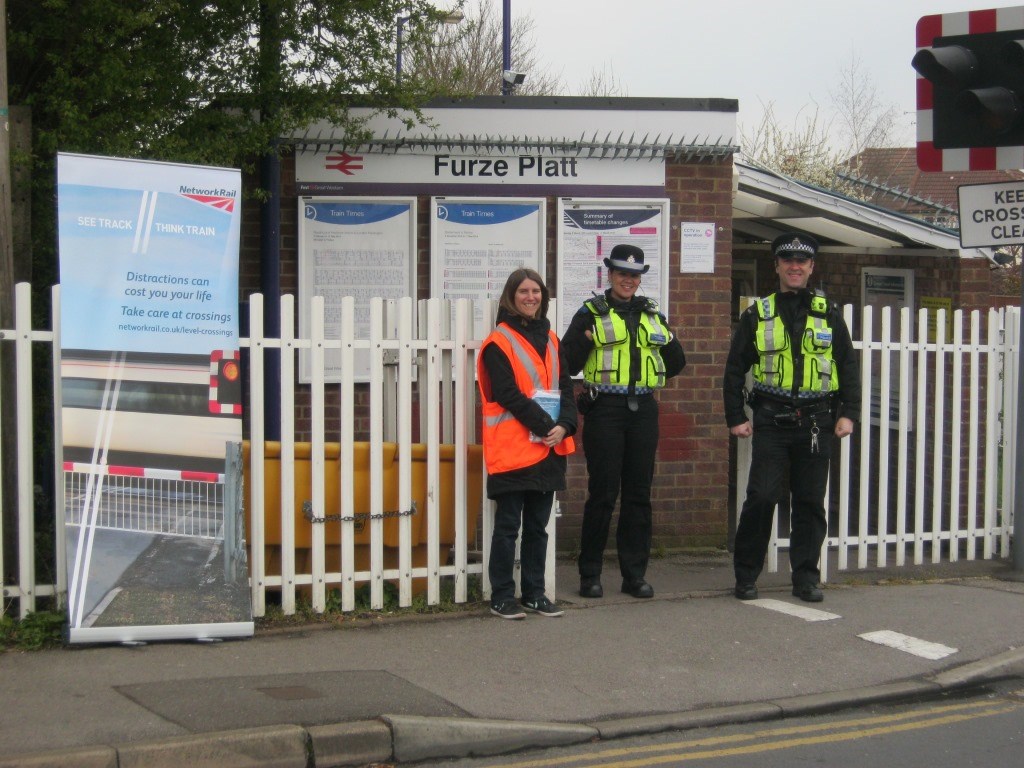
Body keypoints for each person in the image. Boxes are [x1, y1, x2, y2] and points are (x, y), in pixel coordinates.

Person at [723, 232, 860, 603]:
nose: (795, 267)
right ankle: (746, 575)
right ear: (777, 266)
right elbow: (735, 368)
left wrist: (850, 414)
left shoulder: (829, 314)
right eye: (788, 261)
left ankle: (805, 578)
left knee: (811, 503)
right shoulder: (758, 314)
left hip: (817, 420)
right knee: (762, 497)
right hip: (771, 418)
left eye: (802, 262)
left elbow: (848, 366)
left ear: (811, 267)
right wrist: (735, 415)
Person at [561, 244, 686, 599]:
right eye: (622, 273)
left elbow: (676, 363)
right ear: (610, 275)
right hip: (605, 410)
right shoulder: (590, 313)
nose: (628, 280)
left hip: (644, 410)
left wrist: (669, 337)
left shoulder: (652, 315)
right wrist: (585, 344)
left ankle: (634, 576)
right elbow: (567, 363)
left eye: (634, 275)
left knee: (638, 494)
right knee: (602, 493)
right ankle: (590, 575)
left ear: (639, 278)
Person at [477, 268, 578, 619]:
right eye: (523, 291)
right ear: (511, 296)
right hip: (514, 448)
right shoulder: (499, 341)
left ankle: (535, 593)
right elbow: (507, 394)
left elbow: (566, 386)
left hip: (548, 446)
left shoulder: (551, 338)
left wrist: (566, 425)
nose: (530, 297)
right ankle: (502, 596)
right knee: (508, 526)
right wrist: (547, 424)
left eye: (536, 291)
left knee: (538, 526)